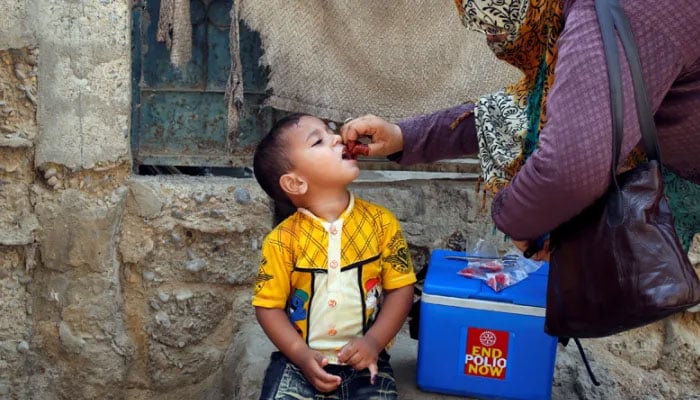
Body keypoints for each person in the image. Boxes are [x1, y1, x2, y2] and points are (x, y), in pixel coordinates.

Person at [340, 0, 700, 260]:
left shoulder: (610, 14)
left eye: (499, 29)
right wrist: (406, 137)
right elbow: (530, 110)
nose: (497, 45)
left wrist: (518, 220)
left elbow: (570, 166)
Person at [251, 113, 417, 399]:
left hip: (367, 361)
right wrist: (301, 355)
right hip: (298, 363)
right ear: (295, 184)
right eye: (318, 141)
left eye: (330, 132)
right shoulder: (281, 241)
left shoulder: (382, 224)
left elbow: (401, 288)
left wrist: (374, 343)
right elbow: (268, 307)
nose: (337, 137)